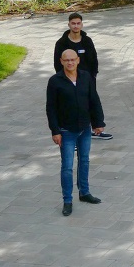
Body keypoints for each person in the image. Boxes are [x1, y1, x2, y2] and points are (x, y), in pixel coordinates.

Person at [46, 49, 105, 216]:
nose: (70, 63)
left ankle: (84, 192)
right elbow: (50, 108)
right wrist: (55, 131)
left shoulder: (86, 77)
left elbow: (94, 99)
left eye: (73, 59)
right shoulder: (55, 81)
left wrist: (98, 122)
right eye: (67, 60)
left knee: (85, 160)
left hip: (85, 128)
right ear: (61, 61)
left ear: (78, 60)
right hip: (66, 131)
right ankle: (67, 200)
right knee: (67, 166)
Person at [53, 12, 112, 140]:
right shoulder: (61, 43)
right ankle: (71, 135)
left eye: (78, 23)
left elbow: (94, 59)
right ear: (68, 24)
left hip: (87, 80)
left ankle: (96, 129)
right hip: (68, 80)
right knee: (70, 105)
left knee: (92, 102)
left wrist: (92, 76)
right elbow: (57, 63)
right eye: (73, 23)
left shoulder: (87, 41)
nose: (75, 26)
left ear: (82, 25)